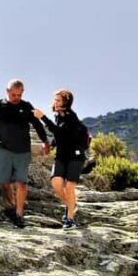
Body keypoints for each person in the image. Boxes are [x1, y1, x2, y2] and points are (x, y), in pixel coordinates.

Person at [0, 79, 50, 228]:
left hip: (22, 150)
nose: (16, 98)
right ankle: (13, 207)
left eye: (19, 95)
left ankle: (19, 214)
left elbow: (37, 124)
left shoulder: (26, 107)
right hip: (3, 148)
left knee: (21, 182)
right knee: (5, 181)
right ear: (7, 92)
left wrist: (45, 141)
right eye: (13, 94)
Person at [34, 89, 87, 229]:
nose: (55, 103)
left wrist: (43, 117)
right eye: (55, 100)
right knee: (56, 183)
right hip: (62, 155)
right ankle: (71, 205)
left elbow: (60, 132)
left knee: (69, 187)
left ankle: (70, 219)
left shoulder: (71, 117)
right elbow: (60, 136)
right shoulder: (58, 116)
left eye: (58, 100)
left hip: (75, 156)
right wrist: (50, 144)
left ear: (66, 102)